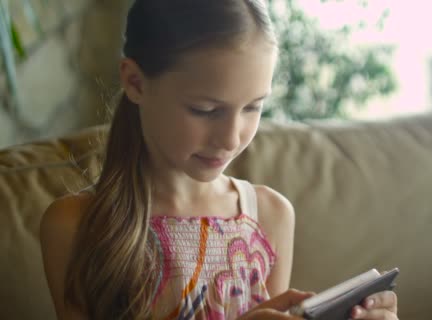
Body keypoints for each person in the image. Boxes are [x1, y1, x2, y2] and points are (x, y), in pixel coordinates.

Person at [39, 0, 398, 319]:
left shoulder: (270, 216)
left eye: (254, 107)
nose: (231, 138)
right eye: (205, 110)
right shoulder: (74, 226)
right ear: (135, 82)